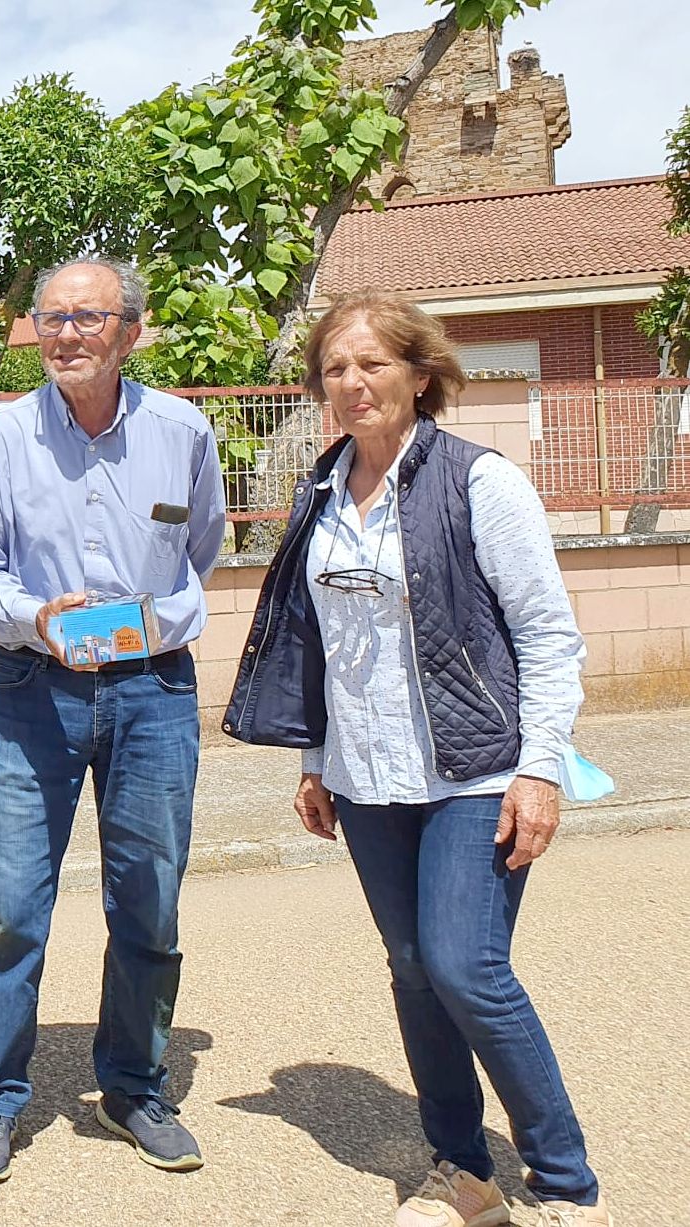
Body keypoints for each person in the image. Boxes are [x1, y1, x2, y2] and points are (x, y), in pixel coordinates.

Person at [223, 290, 610, 1227]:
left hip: (477, 768)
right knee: (408, 965)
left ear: (419, 374)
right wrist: (314, 757)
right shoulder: (320, 491)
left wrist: (539, 768)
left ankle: (565, 1183)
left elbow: (548, 637)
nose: (352, 383)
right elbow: (316, 640)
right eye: (334, 368)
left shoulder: (480, 482)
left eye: (373, 364)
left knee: (465, 965)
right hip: (364, 775)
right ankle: (463, 1173)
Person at [0, 259, 226, 1182]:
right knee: (12, 904)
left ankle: (136, 1084)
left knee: (148, 897)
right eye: (50, 318)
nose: (65, 334)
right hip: (34, 688)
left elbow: (201, 555)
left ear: (129, 332)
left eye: (87, 317)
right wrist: (37, 620)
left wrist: (153, 621)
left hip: (152, 690)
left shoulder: (181, 430)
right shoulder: (4, 438)